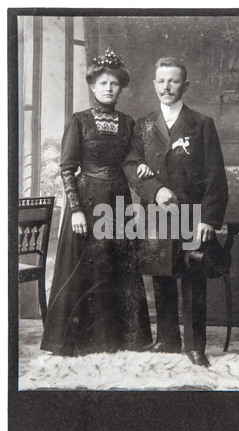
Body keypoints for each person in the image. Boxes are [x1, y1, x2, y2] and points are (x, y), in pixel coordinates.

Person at [41, 49, 153, 356]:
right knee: (86, 269)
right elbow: (66, 169)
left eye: (114, 84)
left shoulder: (129, 123)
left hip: (118, 201)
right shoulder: (78, 121)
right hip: (87, 202)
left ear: (121, 88)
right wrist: (75, 210)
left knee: (117, 268)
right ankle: (79, 343)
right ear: (93, 86)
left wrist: (142, 166)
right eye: (103, 83)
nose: (108, 88)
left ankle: (117, 342)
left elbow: (134, 161)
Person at [123, 57, 228, 367]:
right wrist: (155, 190)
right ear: (154, 85)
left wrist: (209, 218)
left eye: (173, 80)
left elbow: (215, 175)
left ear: (185, 85)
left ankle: (195, 346)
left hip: (192, 214)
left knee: (193, 279)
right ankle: (167, 341)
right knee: (161, 276)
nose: (166, 86)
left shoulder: (201, 123)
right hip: (155, 214)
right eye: (161, 81)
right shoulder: (142, 125)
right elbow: (130, 164)